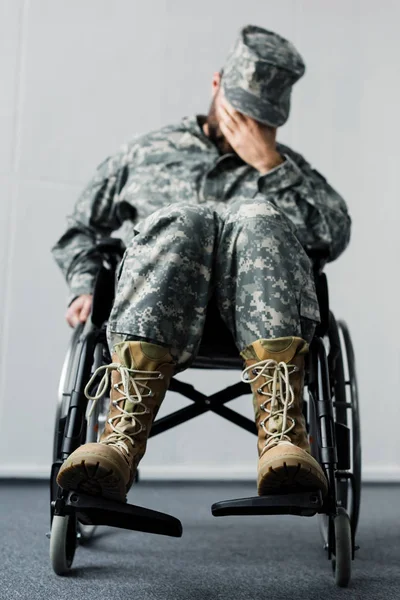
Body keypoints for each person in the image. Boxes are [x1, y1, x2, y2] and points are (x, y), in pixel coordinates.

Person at [52, 25, 351, 503]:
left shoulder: (284, 169)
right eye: (241, 110)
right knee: (183, 219)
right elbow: (80, 232)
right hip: (153, 314)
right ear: (216, 86)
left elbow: (332, 237)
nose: (248, 123)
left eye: (261, 117)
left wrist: (270, 167)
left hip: (258, 319)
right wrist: (86, 283)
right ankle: (119, 440)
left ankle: (283, 439)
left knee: (257, 217)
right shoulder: (144, 153)